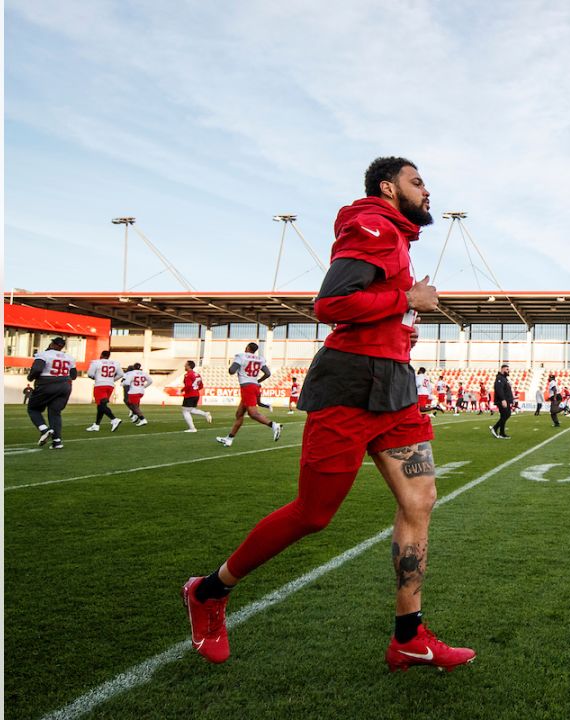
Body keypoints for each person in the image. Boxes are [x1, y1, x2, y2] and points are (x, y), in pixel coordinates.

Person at [184, 156, 474, 672]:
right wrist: (407, 297)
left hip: (395, 386)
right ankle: (209, 591)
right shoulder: (372, 225)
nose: (427, 191)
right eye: (417, 182)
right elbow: (331, 304)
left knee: (421, 497)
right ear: (388, 188)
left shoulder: (397, 236)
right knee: (313, 515)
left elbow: (372, 306)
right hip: (349, 384)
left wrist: (399, 321)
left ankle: (409, 635)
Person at [215, 342, 280, 446]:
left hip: (247, 387)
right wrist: (258, 381)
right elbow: (267, 373)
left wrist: (231, 368)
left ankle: (273, 425)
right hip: (255, 386)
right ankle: (229, 439)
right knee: (239, 414)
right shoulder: (260, 358)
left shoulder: (241, 356)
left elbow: (232, 371)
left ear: (247, 348)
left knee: (253, 414)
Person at [26, 336, 76, 449]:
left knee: (33, 409)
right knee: (55, 412)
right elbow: (73, 376)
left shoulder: (44, 354)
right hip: (65, 385)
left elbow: (37, 369)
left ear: (53, 344)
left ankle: (44, 429)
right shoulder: (69, 357)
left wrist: (30, 378)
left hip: (47, 383)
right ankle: (57, 441)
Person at [84, 350, 124, 432]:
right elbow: (121, 374)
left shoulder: (96, 362)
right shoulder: (115, 363)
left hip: (100, 385)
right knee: (101, 405)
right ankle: (96, 425)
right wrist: (112, 379)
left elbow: (90, 374)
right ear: (109, 356)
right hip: (110, 385)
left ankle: (114, 419)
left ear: (101, 355)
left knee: (101, 405)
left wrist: (98, 378)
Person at [180, 360, 213, 432]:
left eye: (185, 365)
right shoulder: (197, 374)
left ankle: (192, 428)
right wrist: (195, 390)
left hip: (190, 395)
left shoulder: (188, 374)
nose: (184, 366)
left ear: (189, 366)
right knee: (191, 410)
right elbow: (201, 386)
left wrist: (182, 390)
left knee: (185, 411)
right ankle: (205, 414)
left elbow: (188, 385)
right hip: (196, 394)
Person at [491, 363, 513, 439]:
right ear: (502, 369)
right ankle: (499, 431)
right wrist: (503, 399)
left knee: (507, 415)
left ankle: (498, 430)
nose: (508, 370)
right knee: (505, 415)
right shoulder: (499, 378)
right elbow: (499, 390)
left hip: (506, 400)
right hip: (502, 400)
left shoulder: (504, 378)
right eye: (507, 369)